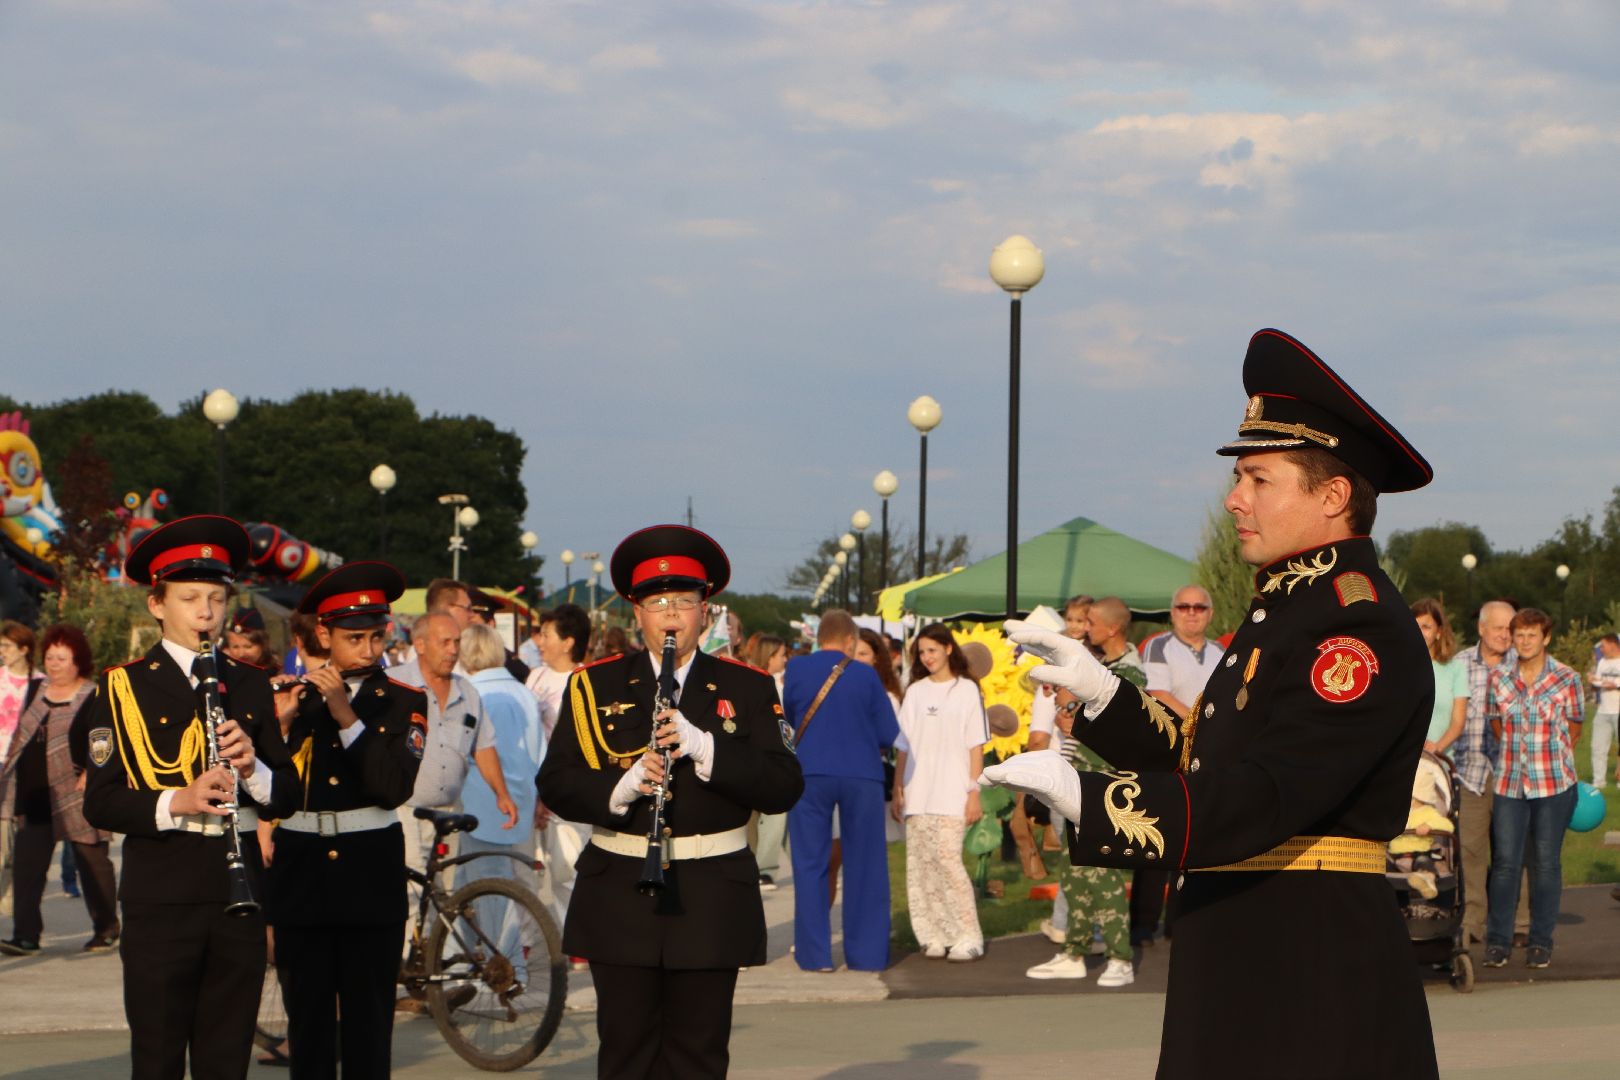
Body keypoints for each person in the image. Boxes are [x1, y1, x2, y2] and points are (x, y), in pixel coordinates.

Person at [987, 328, 1439, 1077]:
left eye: (1259, 479)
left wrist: (1094, 801)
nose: (1235, 499)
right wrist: (1103, 691)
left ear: (1332, 497)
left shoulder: (1355, 623)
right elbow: (1208, 754)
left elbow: (1268, 792)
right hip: (1251, 941)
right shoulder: (1294, 608)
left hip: (1307, 961)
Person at [537, 524, 803, 1078]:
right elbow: (556, 782)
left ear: (706, 609)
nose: (672, 616)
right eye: (658, 603)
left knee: (699, 1056)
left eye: (685, 601)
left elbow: (784, 786)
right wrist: (623, 786)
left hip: (711, 892)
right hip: (619, 888)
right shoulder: (593, 686)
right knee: (625, 1053)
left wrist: (705, 746)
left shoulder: (748, 687)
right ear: (637, 613)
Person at [80, 515, 300, 1080]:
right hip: (163, 890)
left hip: (239, 890)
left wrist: (253, 768)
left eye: (216, 598)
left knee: (226, 1058)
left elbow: (285, 798)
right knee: (156, 1056)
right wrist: (177, 799)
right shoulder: (120, 686)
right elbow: (100, 803)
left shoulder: (249, 682)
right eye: (189, 598)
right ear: (157, 605)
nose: (206, 612)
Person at [266, 561, 424, 1080]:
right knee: (308, 1029)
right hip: (301, 875)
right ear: (322, 635)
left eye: (377, 637)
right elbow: (260, 790)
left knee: (368, 1030)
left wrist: (346, 715)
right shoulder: (291, 698)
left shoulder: (403, 701)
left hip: (368, 876)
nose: (370, 650)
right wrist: (280, 720)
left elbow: (392, 785)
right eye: (354, 638)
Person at [1026, 596, 1141, 986]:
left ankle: (1120, 959)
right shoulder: (1105, 666)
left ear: (1112, 628)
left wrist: (1074, 716)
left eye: (1090, 622)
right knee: (1075, 872)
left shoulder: (1129, 672)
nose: (1083, 628)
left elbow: (1120, 729)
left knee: (1102, 873)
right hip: (1080, 777)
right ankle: (1073, 951)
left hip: (1104, 783)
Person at [783, 609, 899, 973]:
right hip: (861, 774)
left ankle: (814, 955)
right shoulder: (865, 675)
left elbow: (788, 717)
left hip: (810, 772)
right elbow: (887, 733)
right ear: (851, 641)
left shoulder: (796, 670)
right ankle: (866, 956)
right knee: (866, 865)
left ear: (819, 638)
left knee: (810, 863)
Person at [0, 624, 119, 954]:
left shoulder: (93, 695)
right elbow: (18, 735)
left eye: (61, 658)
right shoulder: (35, 689)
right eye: (49, 657)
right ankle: (26, 935)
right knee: (27, 867)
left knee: (92, 864)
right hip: (35, 795)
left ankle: (106, 927)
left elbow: (103, 741)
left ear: (78, 660)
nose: (53, 664)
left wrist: (93, 773)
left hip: (78, 794)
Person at [1483, 607, 1583, 970]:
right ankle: (1498, 941)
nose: (1524, 642)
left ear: (1546, 638)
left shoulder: (1566, 678)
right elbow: (1497, 725)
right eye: (1519, 635)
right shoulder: (1500, 679)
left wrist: (1549, 757)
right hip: (1510, 782)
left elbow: (1574, 727)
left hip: (1554, 784)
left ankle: (1541, 941)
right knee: (1506, 864)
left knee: (1545, 864)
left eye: (1531, 635)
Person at [389, 613, 516, 878]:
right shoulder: (394, 685)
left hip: (449, 813)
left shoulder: (467, 692)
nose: (453, 650)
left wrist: (502, 794)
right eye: (445, 642)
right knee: (409, 895)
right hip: (405, 812)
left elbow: (483, 747)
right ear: (420, 645)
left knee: (445, 893)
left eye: (457, 642)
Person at [890, 623, 987, 962]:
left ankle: (968, 934)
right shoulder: (915, 692)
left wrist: (975, 791)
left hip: (953, 792)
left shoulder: (967, 690)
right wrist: (898, 787)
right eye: (922, 652)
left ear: (948, 648)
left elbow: (976, 745)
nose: (927, 657)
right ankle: (932, 934)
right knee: (921, 867)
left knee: (948, 862)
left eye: (932, 650)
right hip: (918, 792)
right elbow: (904, 745)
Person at [455, 622, 545, 981]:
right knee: (500, 888)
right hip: (521, 800)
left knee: (488, 894)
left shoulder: (470, 693)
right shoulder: (524, 692)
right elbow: (539, 752)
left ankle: (506, 972)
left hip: (481, 802)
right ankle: (486, 967)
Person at [1138, 585, 1224, 946]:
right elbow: (1157, 693)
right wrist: (1199, 722)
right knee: (1155, 839)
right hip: (1168, 750)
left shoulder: (1221, 652)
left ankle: (1179, 921)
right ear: (1172, 612)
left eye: (1199, 607)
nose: (1192, 613)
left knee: (1192, 841)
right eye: (1184, 606)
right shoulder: (1160, 646)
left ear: (1210, 613)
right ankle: (1142, 925)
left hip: (1207, 755)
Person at [1456, 598, 1525, 950]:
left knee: (1513, 850)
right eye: (1498, 628)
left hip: (1514, 771)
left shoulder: (1525, 665)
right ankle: (1472, 921)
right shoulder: (1460, 664)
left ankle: (1519, 921)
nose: (1505, 635)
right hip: (1471, 770)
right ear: (1481, 629)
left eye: (1509, 629)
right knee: (1470, 849)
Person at [523, 603, 594, 934]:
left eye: (546, 634)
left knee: (568, 866)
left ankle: (578, 935)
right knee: (531, 868)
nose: (539, 641)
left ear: (568, 642)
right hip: (533, 786)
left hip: (569, 790)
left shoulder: (587, 680)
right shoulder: (535, 677)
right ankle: (523, 938)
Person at [0, 619, 41, 922]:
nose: (1, 652)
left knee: (21, 841)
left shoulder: (40, 683)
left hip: (26, 769)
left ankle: (13, 900)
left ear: (24, 649)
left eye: (6, 646)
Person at [745, 632, 791, 891]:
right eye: (782, 655)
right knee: (771, 819)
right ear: (770, 656)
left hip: (770, 755)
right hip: (764, 756)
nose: (785, 659)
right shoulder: (765, 684)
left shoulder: (777, 683)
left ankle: (765, 866)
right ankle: (764, 867)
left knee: (776, 820)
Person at [1413, 598, 1468, 757]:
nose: (1419, 632)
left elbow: (1458, 723)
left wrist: (1436, 747)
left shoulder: (1455, 669)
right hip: (1402, 761)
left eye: (1426, 627)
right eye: (1414, 625)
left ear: (1438, 632)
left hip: (1439, 760)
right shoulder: (1398, 666)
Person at [1588, 633, 1620, 790]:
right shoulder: (1602, 663)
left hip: (1618, 710)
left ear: (1613, 645)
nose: (1601, 649)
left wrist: (1615, 684)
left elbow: (1613, 684)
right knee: (1598, 747)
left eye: (1603, 645)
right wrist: (1592, 681)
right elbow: (1597, 684)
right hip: (1603, 711)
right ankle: (1598, 781)